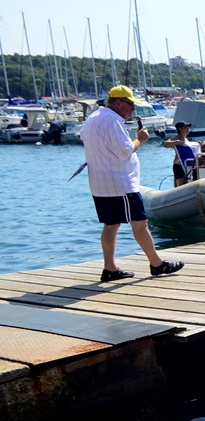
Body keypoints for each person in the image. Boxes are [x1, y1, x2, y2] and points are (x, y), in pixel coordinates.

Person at [79, 85, 184, 283]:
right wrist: (140, 140)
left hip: (100, 183)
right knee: (140, 223)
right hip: (120, 183)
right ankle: (156, 263)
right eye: (130, 104)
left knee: (111, 225)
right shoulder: (112, 121)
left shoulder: (92, 119)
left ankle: (110, 268)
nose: (132, 109)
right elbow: (125, 151)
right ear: (118, 102)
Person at [162, 121, 200, 186]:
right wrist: (177, 142)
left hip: (188, 164)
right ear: (180, 128)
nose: (188, 129)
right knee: (181, 185)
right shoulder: (176, 138)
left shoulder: (186, 140)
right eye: (186, 127)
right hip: (179, 165)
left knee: (189, 182)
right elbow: (165, 144)